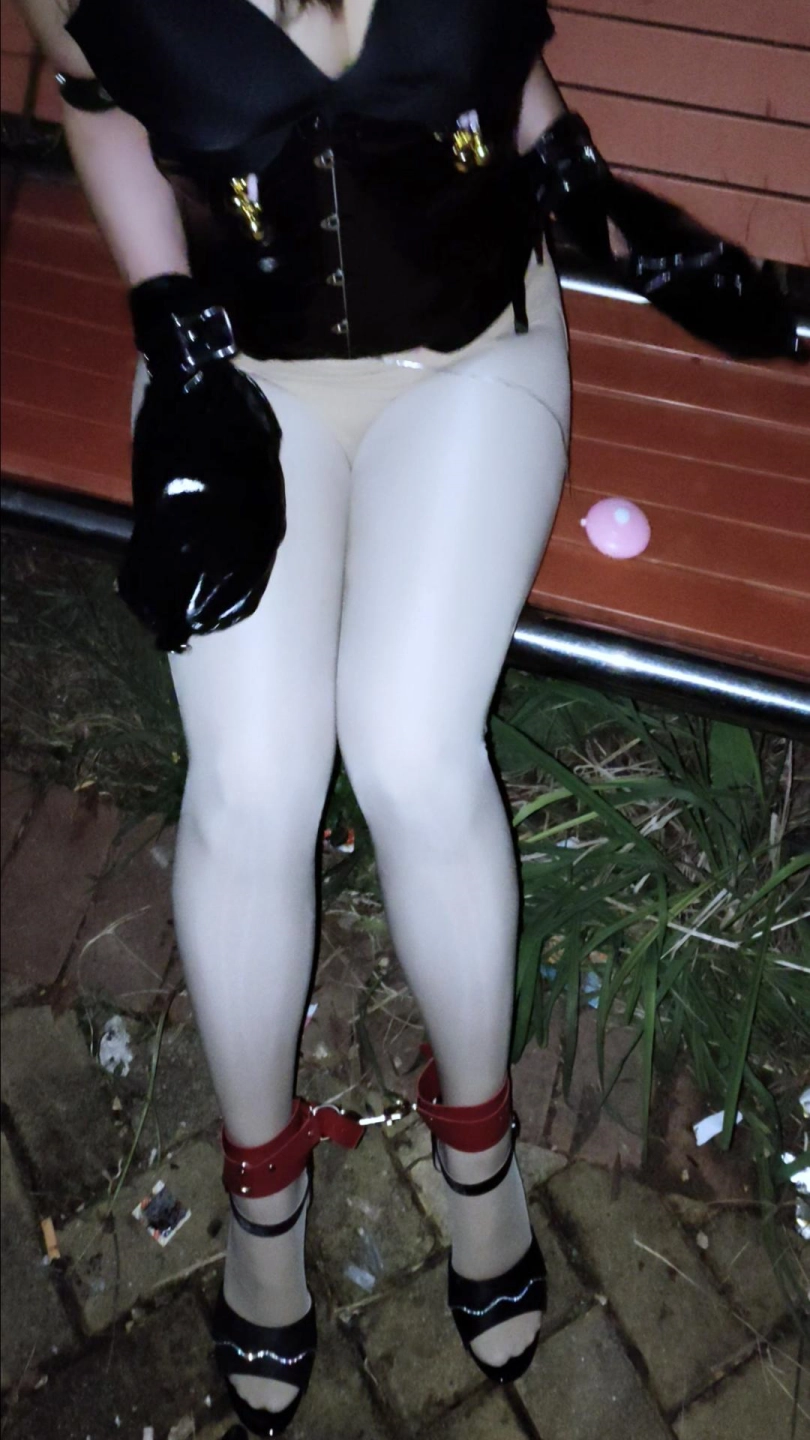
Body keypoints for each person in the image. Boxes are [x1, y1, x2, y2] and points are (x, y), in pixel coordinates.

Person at [15, 2, 805, 1435]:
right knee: (250, 780)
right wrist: (160, 305)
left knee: (410, 745)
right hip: (234, 368)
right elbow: (98, 96)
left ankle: (479, 1149)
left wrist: (573, 172)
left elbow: (479, 51)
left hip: (471, 353)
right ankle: (264, 1190)